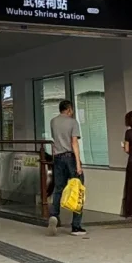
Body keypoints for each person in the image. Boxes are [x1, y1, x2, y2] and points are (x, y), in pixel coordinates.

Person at [47, 99, 87, 237]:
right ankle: (76, 226)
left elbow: (54, 139)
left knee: (58, 188)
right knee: (78, 188)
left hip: (57, 158)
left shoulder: (53, 121)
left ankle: (54, 216)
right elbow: (74, 143)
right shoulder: (72, 122)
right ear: (69, 109)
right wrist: (78, 164)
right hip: (70, 157)